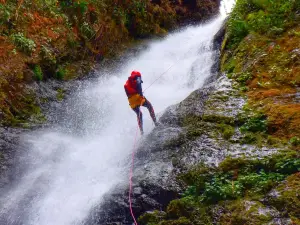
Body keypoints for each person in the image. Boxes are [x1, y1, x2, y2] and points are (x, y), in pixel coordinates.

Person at [124, 71, 158, 135]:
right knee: (149, 106)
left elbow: (128, 94)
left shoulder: (127, 83)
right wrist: (141, 96)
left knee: (139, 114)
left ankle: (141, 132)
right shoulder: (137, 77)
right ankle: (156, 123)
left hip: (131, 101)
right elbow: (139, 87)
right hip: (138, 98)